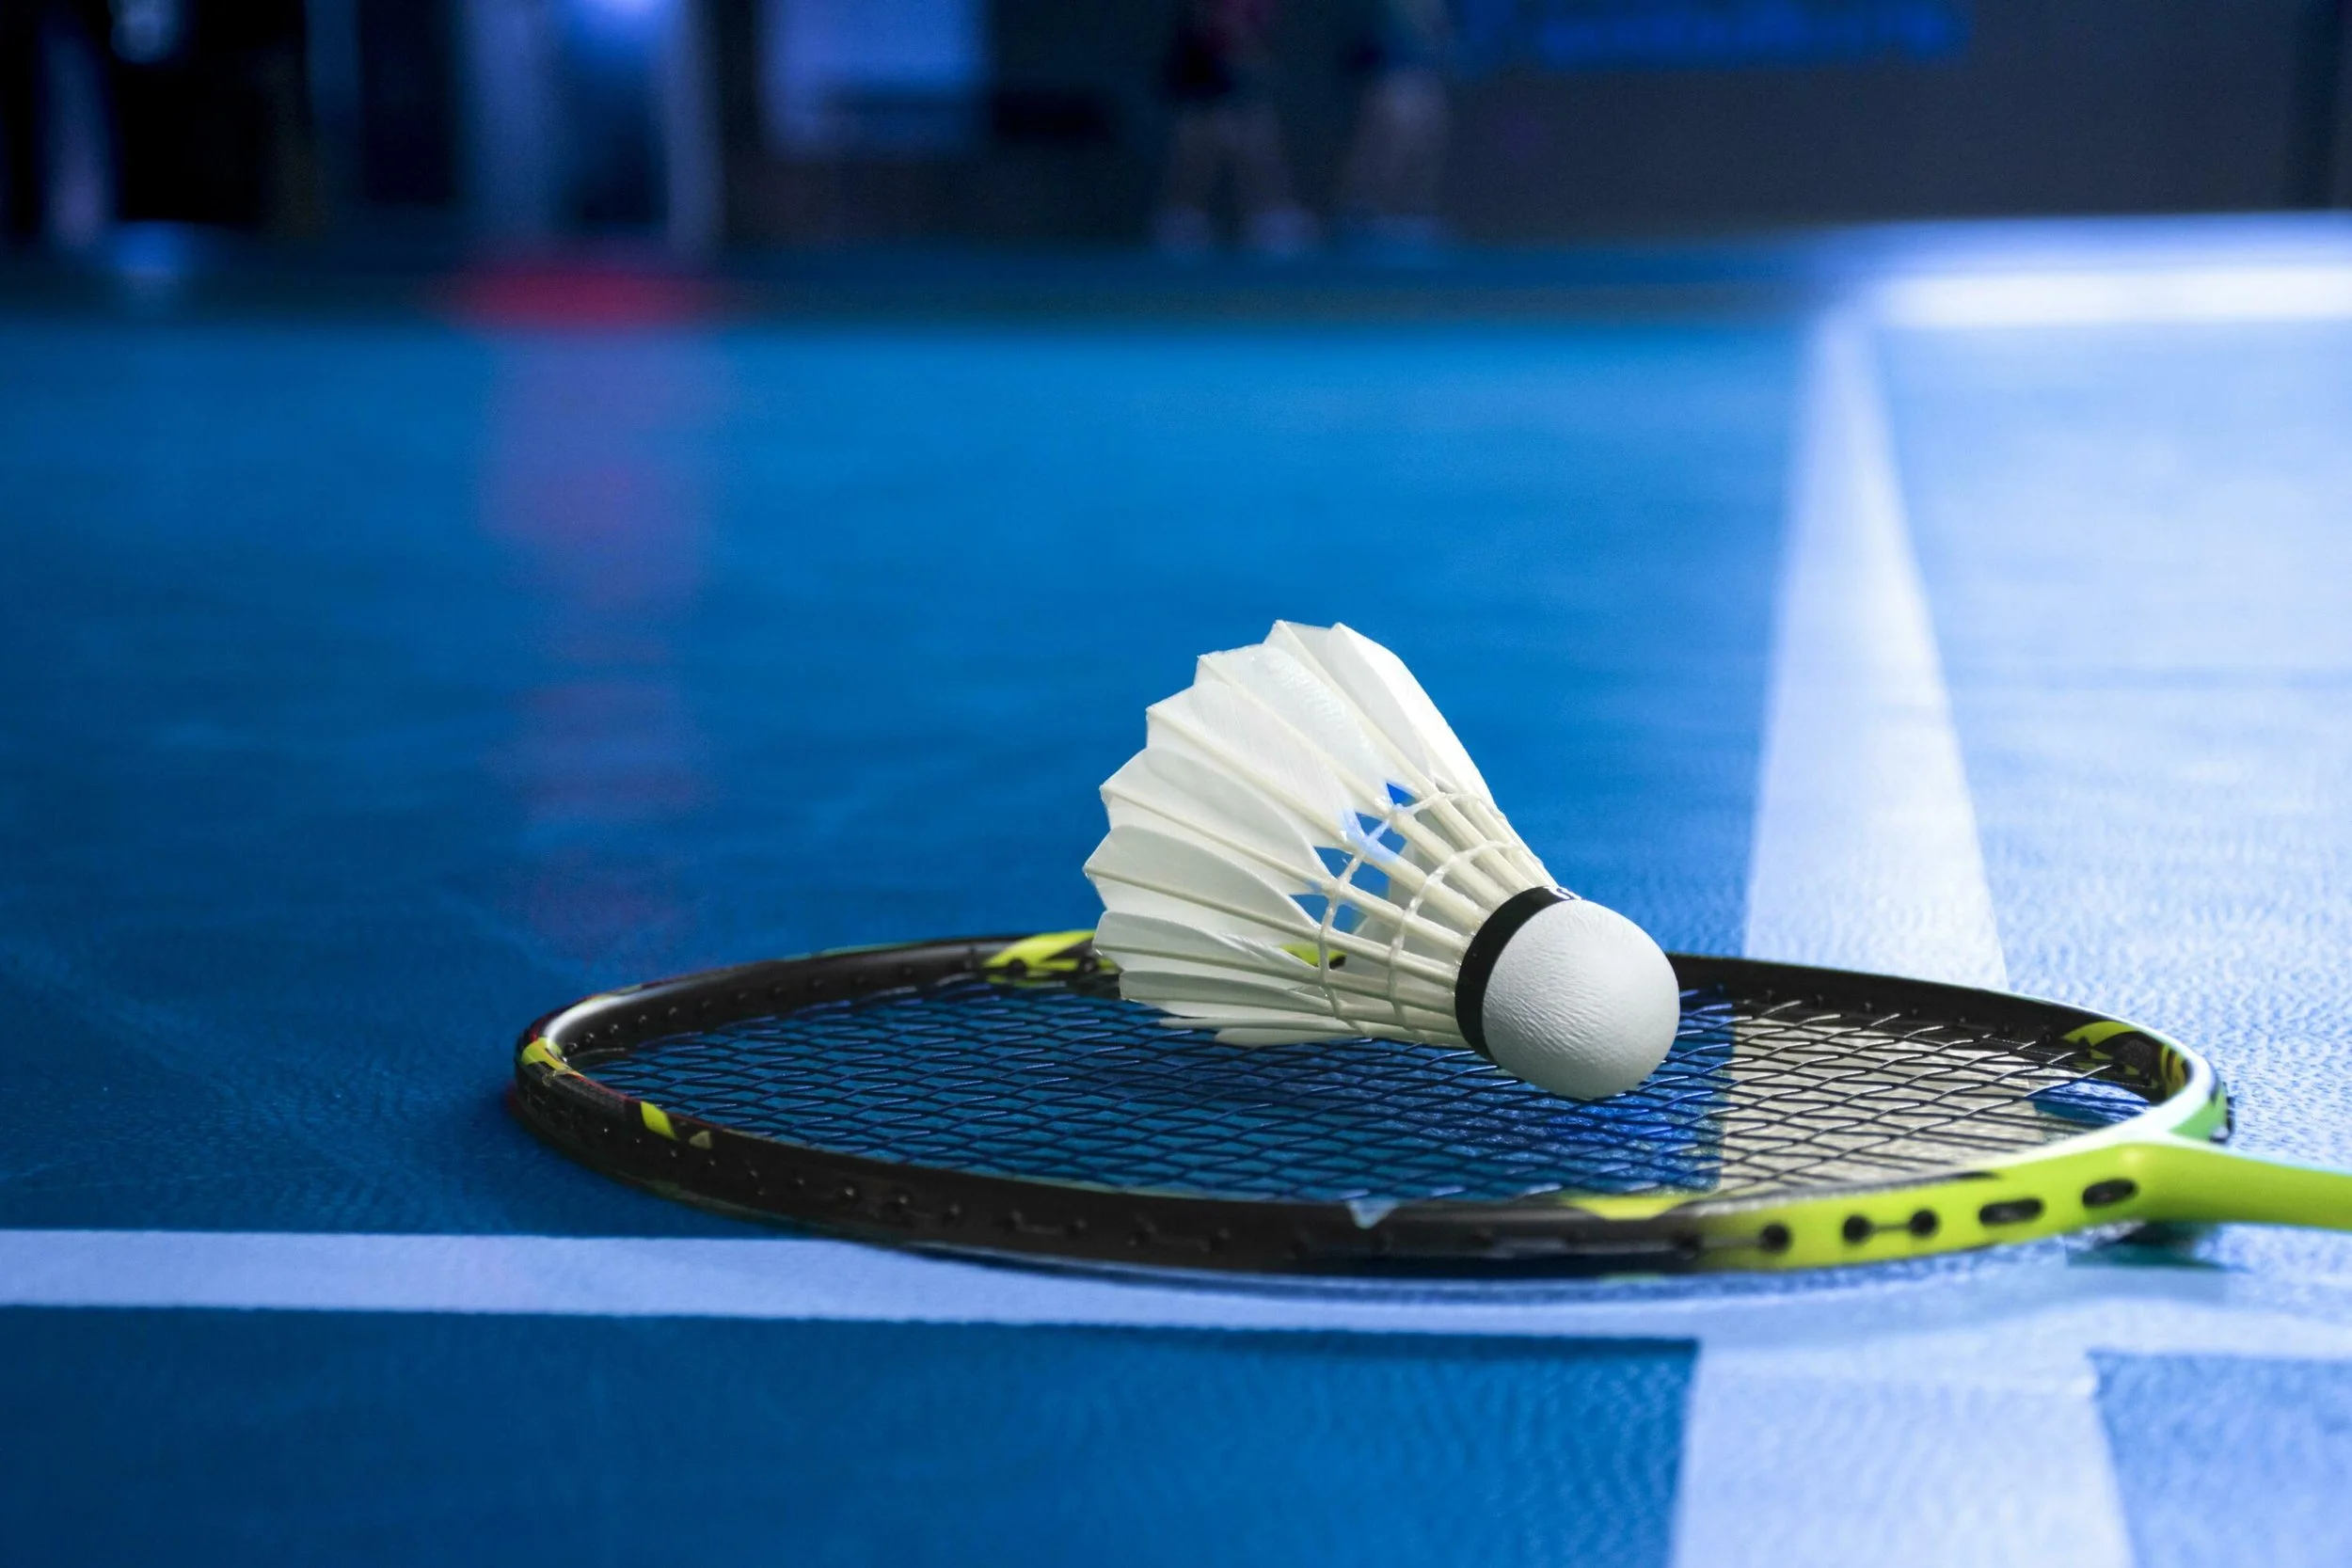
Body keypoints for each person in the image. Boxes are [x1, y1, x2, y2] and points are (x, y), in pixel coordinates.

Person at [1152, 0, 1314, 258]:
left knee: (1256, 129)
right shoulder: (1200, 29)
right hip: (1201, 79)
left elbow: (1257, 48)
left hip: (1237, 83)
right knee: (1208, 129)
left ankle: (1269, 214)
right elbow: (1209, 29)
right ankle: (1182, 217)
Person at [1335, 0, 1452, 250]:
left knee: (1429, 123)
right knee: (1396, 124)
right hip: (1387, 74)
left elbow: (1438, 36)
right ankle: (1369, 212)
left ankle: (1414, 209)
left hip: (1421, 73)